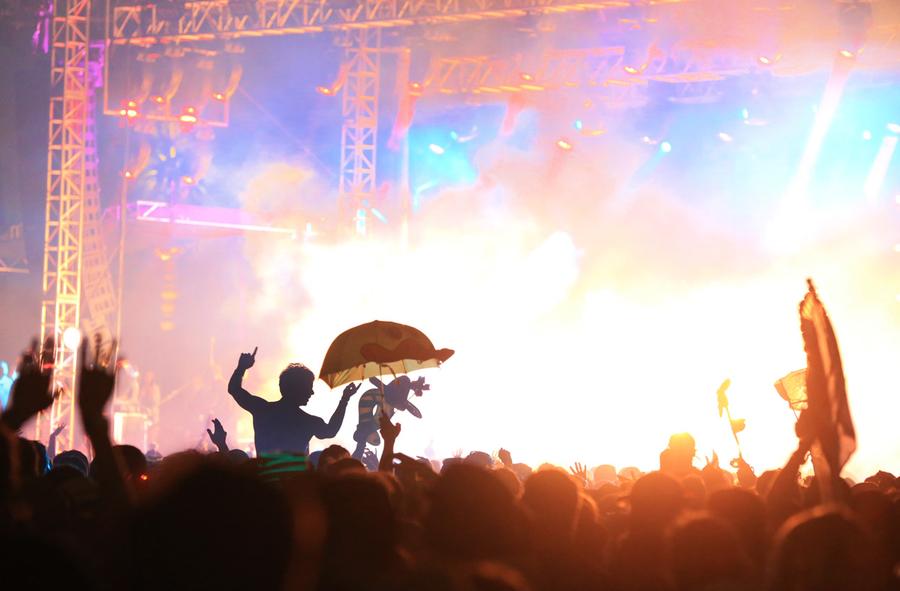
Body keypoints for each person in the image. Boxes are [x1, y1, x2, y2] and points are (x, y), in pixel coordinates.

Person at [227, 347, 360, 455]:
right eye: (309, 388)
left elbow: (234, 389)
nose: (312, 393)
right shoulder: (308, 421)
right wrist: (344, 399)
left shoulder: (262, 409)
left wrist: (241, 367)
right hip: (294, 479)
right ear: (297, 389)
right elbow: (330, 431)